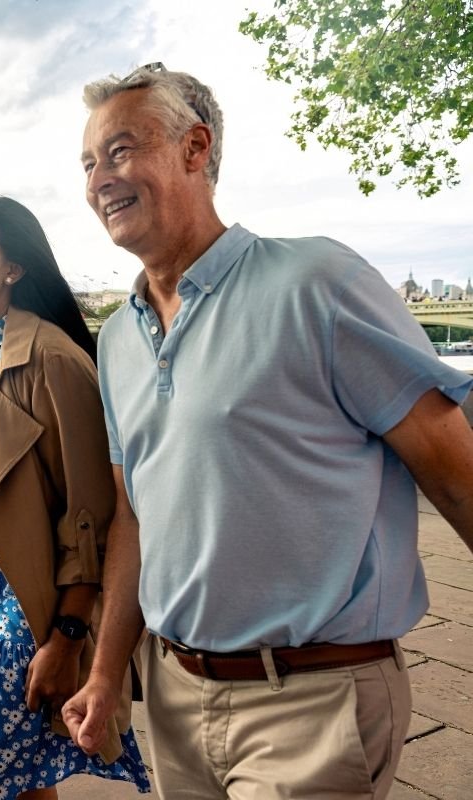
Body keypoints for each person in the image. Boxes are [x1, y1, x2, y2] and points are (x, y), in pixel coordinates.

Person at [65, 64, 473, 800]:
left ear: (196, 149)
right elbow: (135, 515)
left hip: (311, 701)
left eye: (121, 150)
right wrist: (104, 673)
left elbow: (453, 469)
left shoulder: (315, 283)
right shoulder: (117, 340)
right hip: (176, 699)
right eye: (89, 163)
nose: (99, 179)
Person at [0, 195, 150, 799]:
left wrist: (67, 636)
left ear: (14, 269)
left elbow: (93, 517)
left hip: (32, 607)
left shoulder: (52, 357)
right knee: (22, 781)